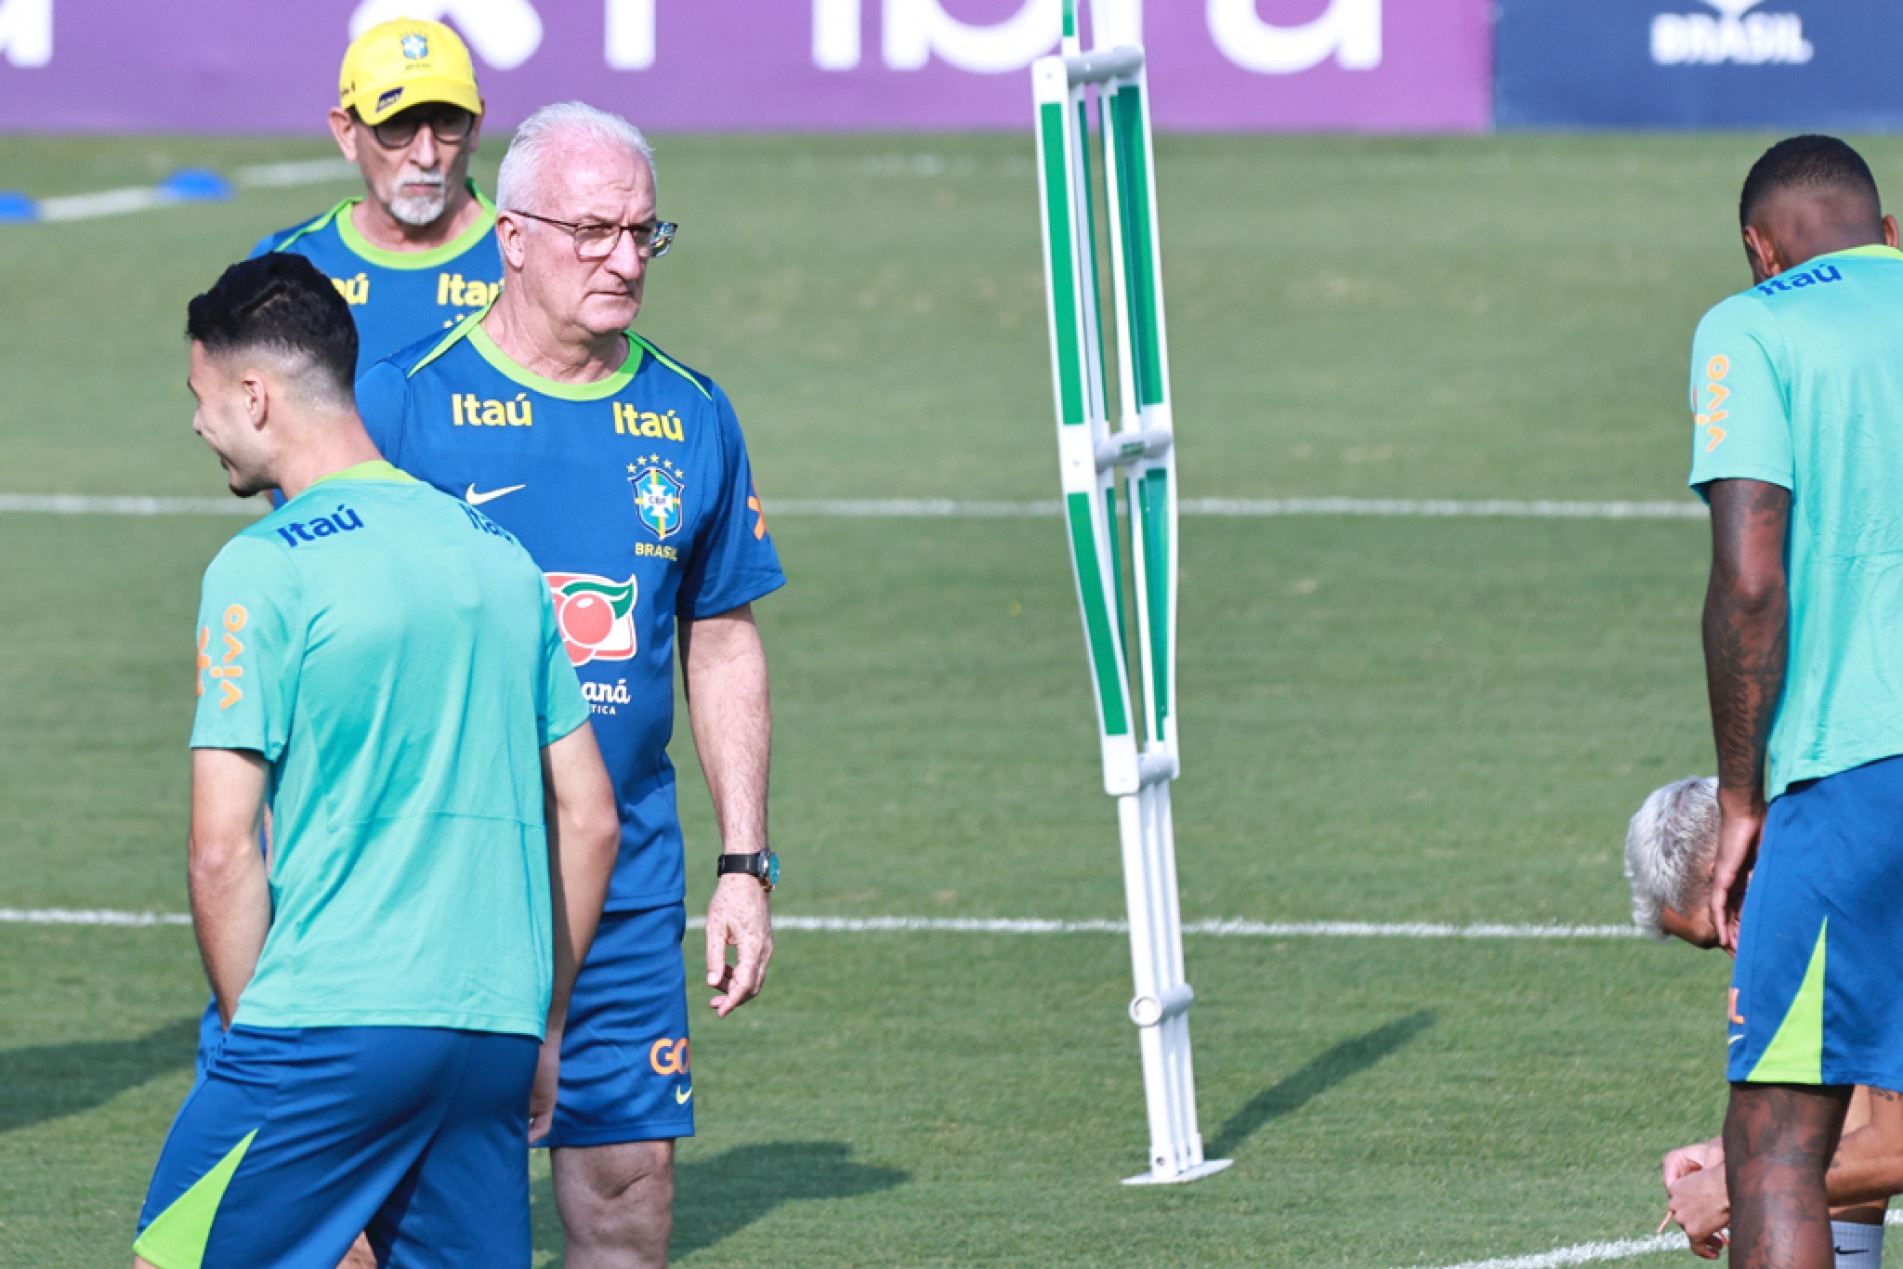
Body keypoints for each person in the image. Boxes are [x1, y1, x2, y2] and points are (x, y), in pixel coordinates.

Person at [357, 101, 785, 1267]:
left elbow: (721, 641)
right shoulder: (404, 403)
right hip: (442, 874)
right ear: (512, 235)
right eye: (593, 232)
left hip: (628, 876)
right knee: (410, 1205)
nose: (624, 260)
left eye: (644, 233)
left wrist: (743, 864)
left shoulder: (691, 413)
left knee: (628, 1191)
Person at [132, 253, 619, 1268]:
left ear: (254, 396)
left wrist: (259, 1049)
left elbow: (221, 850)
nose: (197, 424)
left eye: (201, 396)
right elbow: (590, 817)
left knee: (171, 1259)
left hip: (328, 1023)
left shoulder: (263, 566)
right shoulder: (499, 554)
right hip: (489, 1029)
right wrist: (542, 1023)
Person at [1693, 134, 1903, 1268]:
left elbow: (1749, 582)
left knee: (1777, 1143)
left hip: (1856, 765)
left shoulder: (1751, 325)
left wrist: (1740, 797)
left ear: (1758, 249)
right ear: (1888, 234)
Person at [1624, 777, 1897, 1263]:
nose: (1737, 957)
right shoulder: (1837, 846)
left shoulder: (1866, 881)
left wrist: (1736, 1184)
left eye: (1722, 935)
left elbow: (1896, 1147)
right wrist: (1742, 1149)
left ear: (1732, 874)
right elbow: (1868, 1082)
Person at [253, 17, 502, 374]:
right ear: (346, 133)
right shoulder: (284, 266)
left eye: (448, 122)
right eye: (397, 125)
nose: (426, 156)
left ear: (475, 127)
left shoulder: (529, 263)